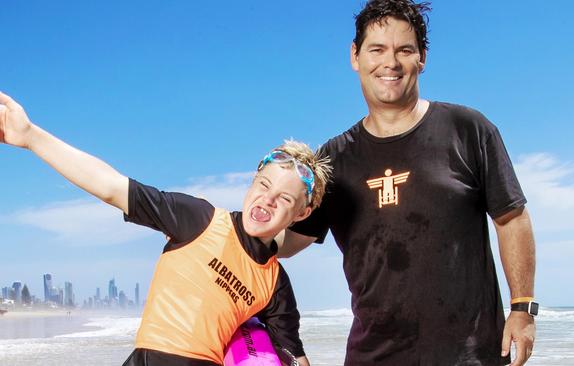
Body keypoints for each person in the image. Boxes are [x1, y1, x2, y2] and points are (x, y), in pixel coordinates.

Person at [277, 1, 537, 365]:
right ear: (355, 56)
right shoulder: (333, 159)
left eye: (404, 50)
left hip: (470, 354)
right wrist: (228, 230)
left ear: (422, 58)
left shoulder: (468, 129)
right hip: (374, 356)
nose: (391, 63)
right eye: (377, 49)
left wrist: (522, 309)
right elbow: (288, 242)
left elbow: (512, 219)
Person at [0, 91, 332, 366]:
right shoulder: (199, 219)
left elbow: (294, 355)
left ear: (300, 214)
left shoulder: (275, 283)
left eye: (284, 198)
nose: (268, 199)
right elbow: (112, 187)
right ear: (251, 183)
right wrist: (30, 136)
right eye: (263, 184)